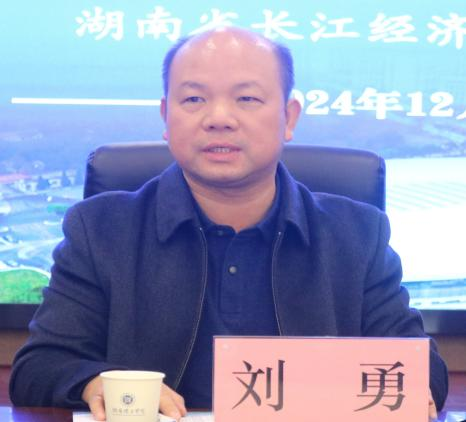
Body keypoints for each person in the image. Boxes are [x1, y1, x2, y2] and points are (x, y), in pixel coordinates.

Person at [10, 27, 447, 420]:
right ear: (165, 116)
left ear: (290, 117)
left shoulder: (358, 234)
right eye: (193, 99)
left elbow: (423, 370)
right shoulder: (101, 229)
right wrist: (96, 384)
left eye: (247, 99)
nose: (219, 118)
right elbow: (39, 368)